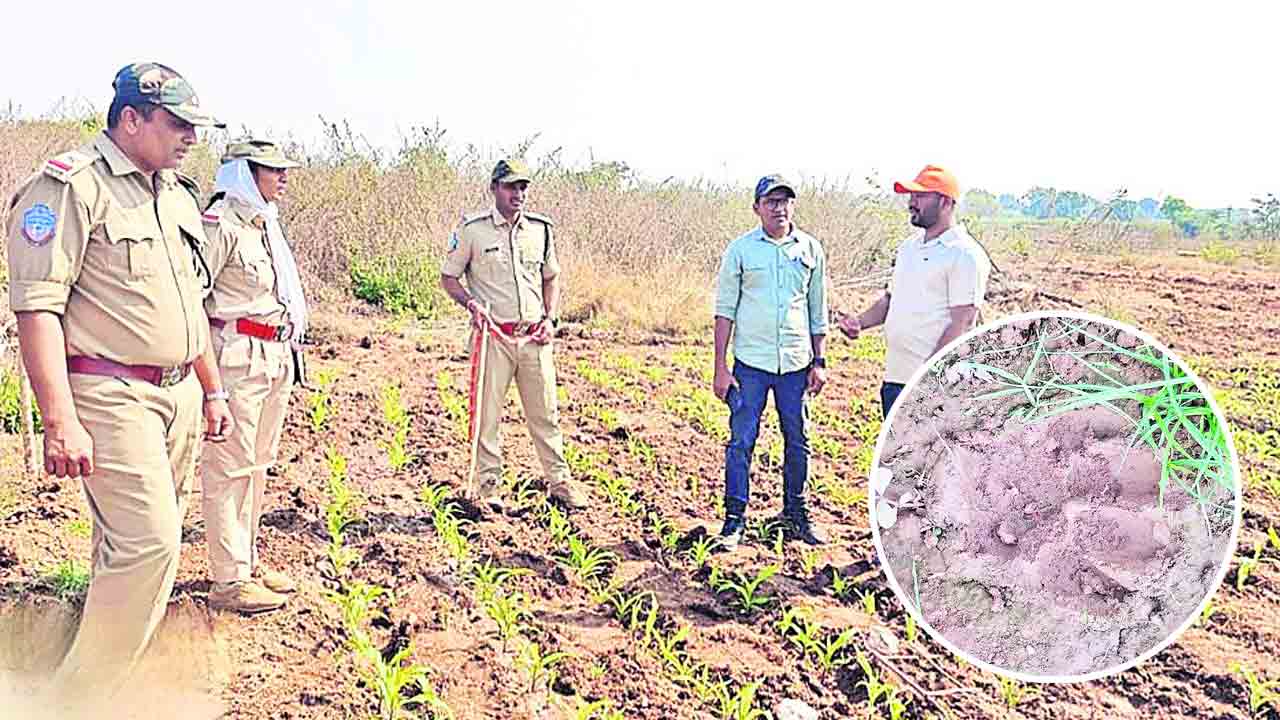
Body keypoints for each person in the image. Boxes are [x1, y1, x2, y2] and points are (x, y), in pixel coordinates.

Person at [5, 62, 230, 710]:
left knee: (139, 551)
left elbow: (190, 303)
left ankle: (110, 680)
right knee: (150, 543)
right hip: (109, 394)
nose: (190, 137)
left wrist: (211, 389)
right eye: (176, 124)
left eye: (194, 126)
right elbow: (38, 306)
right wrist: (59, 420)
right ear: (130, 118)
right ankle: (76, 703)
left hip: (178, 393)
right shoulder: (71, 187)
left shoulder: (177, 194)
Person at [439, 158, 589, 511]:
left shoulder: (540, 230)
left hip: (534, 337)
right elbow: (449, 277)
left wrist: (550, 318)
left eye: (523, 187)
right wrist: (471, 304)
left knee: (546, 413)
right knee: (487, 416)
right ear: (494, 189)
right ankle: (488, 489)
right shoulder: (473, 230)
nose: (518, 194)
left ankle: (560, 482)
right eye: (510, 187)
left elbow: (552, 277)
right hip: (494, 337)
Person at [198, 139, 307, 614]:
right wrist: (209, 385)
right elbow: (194, 301)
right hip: (236, 355)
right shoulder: (221, 224)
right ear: (244, 172)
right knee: (229, 466)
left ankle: (246, 559)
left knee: (258, 464)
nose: (281, 178)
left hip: (273, 352)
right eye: (271, 170)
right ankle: (229, 579)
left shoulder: (264, 224)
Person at [712, 174, 829, 551]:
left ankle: (796, 513)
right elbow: (725, 310)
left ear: (792, 205)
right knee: (741, 441)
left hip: (796, 363)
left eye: (785, 201)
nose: (779, 208)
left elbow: (817, 310)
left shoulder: (810, 249)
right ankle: (734, 521)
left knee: (798, 439)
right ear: (757, 207)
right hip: (751, 364)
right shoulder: (741, 251)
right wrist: (720, 366)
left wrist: (820, 360)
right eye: (771, 201)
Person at [838, 165, 991, 418]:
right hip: (896, 377)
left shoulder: (964, 254)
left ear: (944, 202)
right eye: (911, 196)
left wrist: (927, 377)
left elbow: (962, 324)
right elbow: (890, 300)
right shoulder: (909, 248)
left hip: (934, 387)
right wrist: (859, 322)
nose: (911, 202)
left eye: (920, 196)